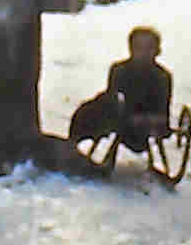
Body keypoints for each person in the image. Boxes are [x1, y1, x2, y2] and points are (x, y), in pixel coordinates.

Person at [68, 25, 174, 173]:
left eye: (148, 48)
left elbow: (162, 111)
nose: (143, 53)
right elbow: (112, 99)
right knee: (90, 111)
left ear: (157, 51)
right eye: (138, 48)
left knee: (129, 122)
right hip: (119, 117)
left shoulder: (161, 77)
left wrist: (147, 120)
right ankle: (73, 149)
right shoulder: (119, 70)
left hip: (145, 123)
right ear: (131, 49)